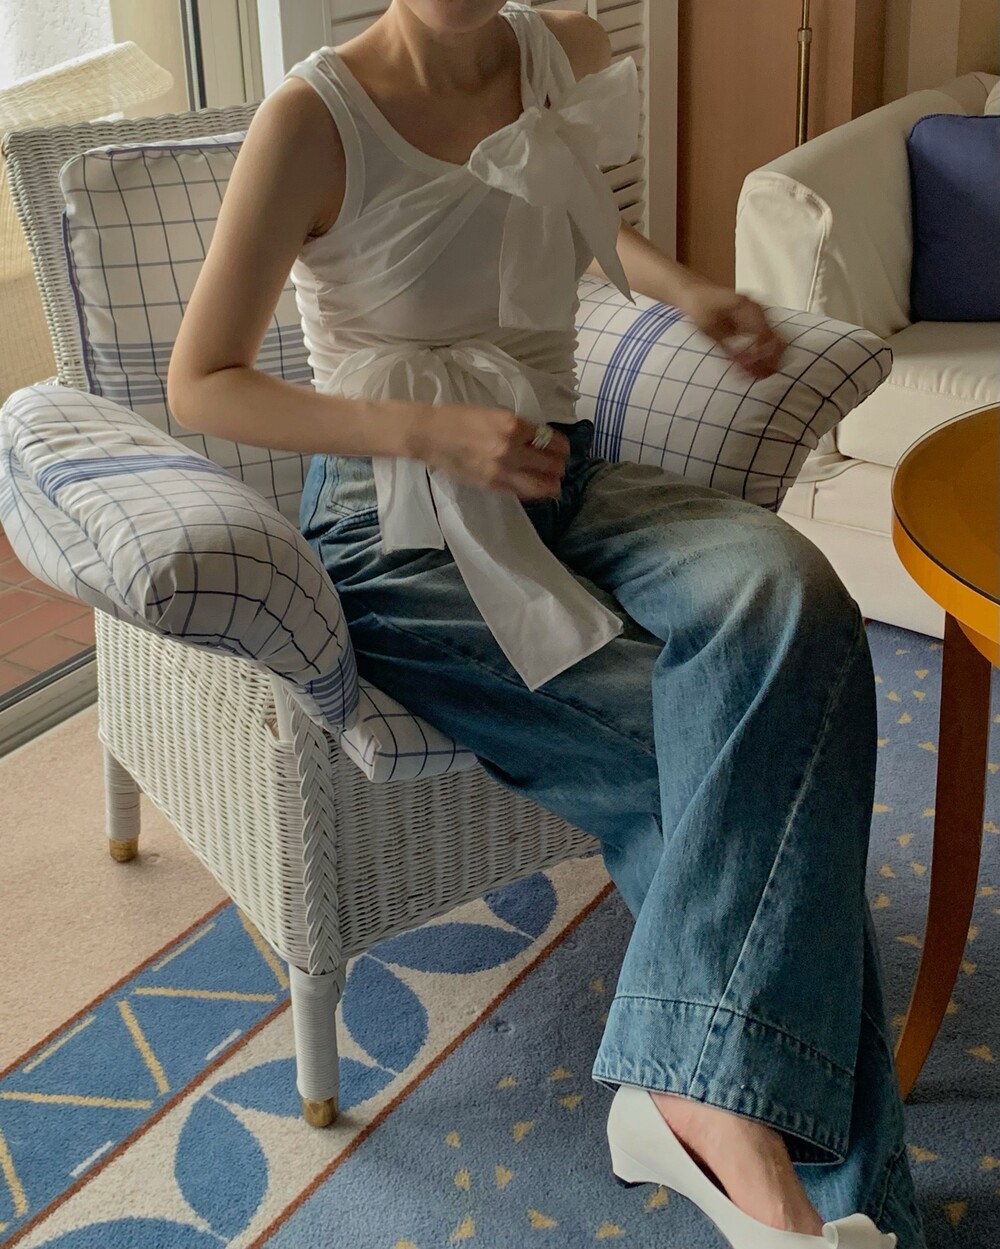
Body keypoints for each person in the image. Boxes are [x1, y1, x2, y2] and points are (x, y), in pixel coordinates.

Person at [166, 3, 924, 1245]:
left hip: (564, 476)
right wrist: (426, 430)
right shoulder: (313, 117)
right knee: (752, 765)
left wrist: (687, 291)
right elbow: (204, 381)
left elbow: (567, 213)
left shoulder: (563, 48)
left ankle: (691, 1098)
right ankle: (792, 1192)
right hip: (397, 524)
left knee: (788, 592)